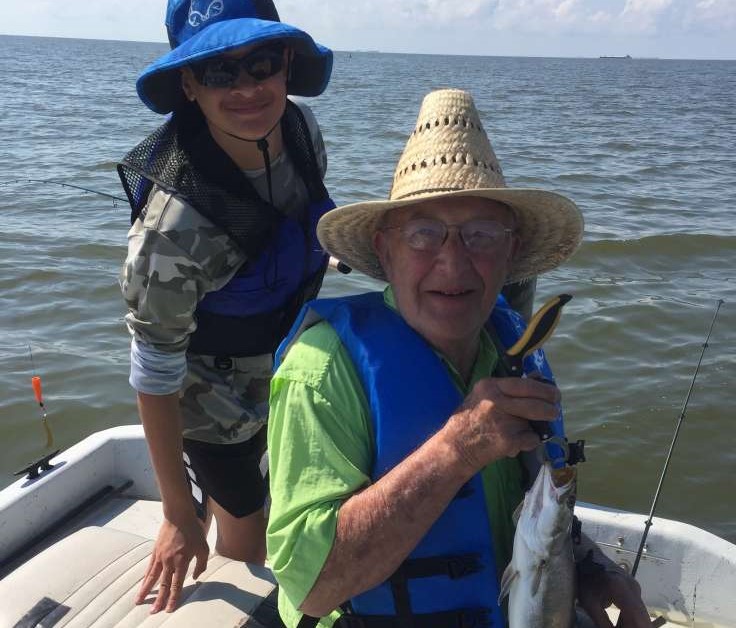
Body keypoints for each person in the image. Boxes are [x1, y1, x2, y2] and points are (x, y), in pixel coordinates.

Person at [266, 89, 652, 627]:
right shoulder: (324, 369)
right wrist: (458, 448)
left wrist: (585, 565)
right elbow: (310, 586)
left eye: (481, 236)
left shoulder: (514, 346)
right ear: (384, 250)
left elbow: (534, 501)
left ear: (512, 253)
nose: (453, 264)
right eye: (423, 234)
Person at [117, 0, 334, 614]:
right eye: (218, 72)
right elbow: (154, 370)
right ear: (188, 84)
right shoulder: (170, 233)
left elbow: (300, 224)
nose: (246, 88)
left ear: (287, 63)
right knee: (249, 535)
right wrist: (177, 513)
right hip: (208, 399)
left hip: (286, 354)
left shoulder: (301, 130)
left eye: (260, 63)